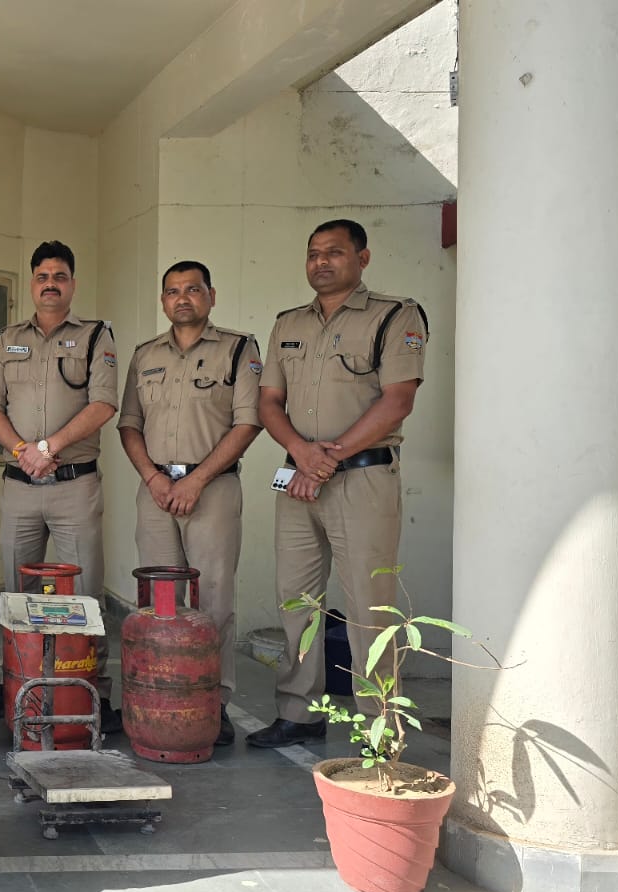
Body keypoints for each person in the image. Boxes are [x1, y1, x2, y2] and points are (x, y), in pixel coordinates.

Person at [246, 219, 428, 749]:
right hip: (299, 482)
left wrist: (329, 457)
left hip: (362, 478)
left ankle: (380, 730)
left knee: (370, 607)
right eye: (313, 253)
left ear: (362, 258)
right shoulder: (288, 323)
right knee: (296, 601)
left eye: (334, 252)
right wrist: (302, 454)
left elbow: (398, 399)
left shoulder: (394, 315)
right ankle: (299, 713)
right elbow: (268, 401)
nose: (321, 262)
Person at [119, 260, 262, 747]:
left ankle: (212, 704)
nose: (183, 298)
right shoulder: (145, 354)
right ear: (163, 301)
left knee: (214, 601)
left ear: (211, 296)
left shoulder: (238, 348)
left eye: (193, 289)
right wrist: (152, 478)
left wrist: (196, 481)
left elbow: (248, 423)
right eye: (173, 291)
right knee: (159, 601)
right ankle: (159, 695)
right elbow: (129, 424)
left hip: (212, 489)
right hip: (156, 489)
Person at [0, 239, 120, 725]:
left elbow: (103, 404)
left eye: (59, 276)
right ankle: (16, 684)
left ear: (73, 284)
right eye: (42, 276)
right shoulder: (7, 339)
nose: (50, 284)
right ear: (32, 284)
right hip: (19, 485)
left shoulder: (96, 336)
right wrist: (25, 451)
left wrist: (49, 447)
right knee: (16, 594)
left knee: (85, 594)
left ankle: (93, 693)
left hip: (73, 486)